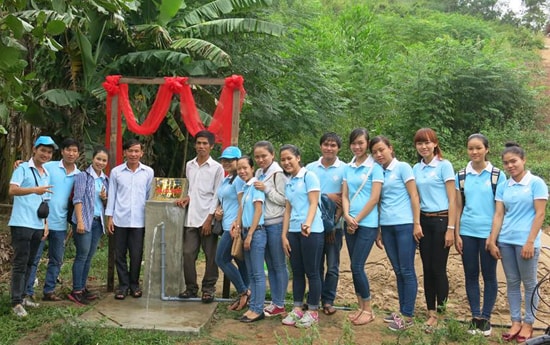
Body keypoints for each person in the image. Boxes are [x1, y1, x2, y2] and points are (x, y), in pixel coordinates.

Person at [487, 142, 547, 343]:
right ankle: (515, 321)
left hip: (526, 242)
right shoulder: (504, 185)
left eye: (514, 161)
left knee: (529, 284)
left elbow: (540, 214)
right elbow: (498, 214)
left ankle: (529, 323)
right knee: (512, 283)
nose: (510, 165)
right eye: (506, 163)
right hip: (506, 240)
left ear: (523, 160)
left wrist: (530, 242)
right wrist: (492, 240)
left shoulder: (535, 183)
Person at [454, 134, 506, 336]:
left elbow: (499, 209)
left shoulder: (497, 175)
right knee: (471, 274)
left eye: (478, 148)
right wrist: (457, 233)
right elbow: (458, 207)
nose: (474, 152)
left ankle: (486, 317)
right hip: (467, 232)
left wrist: (493, 237)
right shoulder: (462, 175)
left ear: (487, 149)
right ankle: (475, 316)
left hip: (489, 234)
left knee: (489, 275)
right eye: (470, 148)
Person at [369, 135, 421, 331]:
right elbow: (381, 202)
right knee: (398, 270)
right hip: (388, 226)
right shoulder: (378, 172)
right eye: (374, 152)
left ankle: (408, 316)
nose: (378, 154)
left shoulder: (403, 167)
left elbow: (414, 195)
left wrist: (417, 223)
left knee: (407, 270)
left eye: (381, 150)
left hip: (405, 225)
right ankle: (402, 310)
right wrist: (380, 229)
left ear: (391, 148)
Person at [25, 138, 81, 302]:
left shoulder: (79, 175)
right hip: (40, 221)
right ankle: (27, 291)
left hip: (61, 223)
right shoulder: (49, 166)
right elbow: (30, 171)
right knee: (34, 258)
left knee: (56, 259)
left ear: (78, 154)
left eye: (74, 151)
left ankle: (49, 291)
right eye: (68, 150)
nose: (71, 153)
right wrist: (20, 163)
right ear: (62, 151)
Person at [412, 128, 456, 333]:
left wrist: (451, 228)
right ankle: (430, 312)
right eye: (420, 143)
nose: (424, 146)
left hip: (441, 220)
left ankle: (441, 313)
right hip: (424, 221)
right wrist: (416, 223)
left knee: (439, 268)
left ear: (435, 144)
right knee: (427, 269)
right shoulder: (416, 168)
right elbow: (416, 198)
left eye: (428, 142)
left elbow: (453, 199)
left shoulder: (444, 166)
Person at [8, 136, 57, 317]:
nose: (45, 154)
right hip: (21, 222)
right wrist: (34, 190)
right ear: (35, 150)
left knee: (30, 262)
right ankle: (15, 302)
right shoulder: (22, 168)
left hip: (37, 224)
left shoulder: (46, 173)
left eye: (49, 152)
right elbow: (12, 190)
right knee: (20, 263)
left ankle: (24, 296)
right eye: (42, 150)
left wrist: (45, 224)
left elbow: (45, 200)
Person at [341, 128, 384, 326]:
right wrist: (348, 217)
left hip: (367, 224)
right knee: (353, 266)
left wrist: (355, 219)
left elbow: (375, 198)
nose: (357, 147)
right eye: (354, 143)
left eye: (361, 143)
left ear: (367, 143)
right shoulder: (347, 168)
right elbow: (345, 195)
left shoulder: (375, 167)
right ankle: (360, 307)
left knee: (358, 266)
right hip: (350, 223)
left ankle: (368, 309)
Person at [280, 144, 324, 329]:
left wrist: (307, 222)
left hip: (311, 230)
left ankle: (313, 311)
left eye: (289, 158)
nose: (286, 162)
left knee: (312, 271)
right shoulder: (289, 181)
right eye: (283, 159)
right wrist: (284, 236)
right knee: (297, 272)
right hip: (294, 232)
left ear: (298, 157)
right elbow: (288, 211)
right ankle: (297, 308)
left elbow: (314, 203)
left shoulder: (309, 176)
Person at [176, 130, 223, 303]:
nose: (201, 146)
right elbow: (191, 190)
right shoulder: (190, 165)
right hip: (190, 217)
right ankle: (191, 288)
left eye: (205, 143)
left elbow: (217, 195)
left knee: (211, 256)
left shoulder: (217, 168)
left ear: (211, 146)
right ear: (195, 145)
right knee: (188, 253)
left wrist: (209, 219)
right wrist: (187, 198)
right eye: (199, 143)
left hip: (207, 218)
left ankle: (208, 289)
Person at [106, 138, 154, 300]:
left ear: (142, 153)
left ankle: (134, 284)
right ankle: (123, 286)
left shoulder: (148, 172)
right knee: (119, 254)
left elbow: (149, 196)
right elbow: (112, 195)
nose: (133, 154)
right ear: (125, 153)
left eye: (136, 151)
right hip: (120, 219)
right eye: (130, 151)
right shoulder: (116, 172)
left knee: (136, 254)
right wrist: (110, 217)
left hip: (139, 221)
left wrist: (150, 218)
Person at [305, 132, 346, 316]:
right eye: (326, 144)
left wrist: (333, 225)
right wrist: (327, 195)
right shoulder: (310, 168)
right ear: (320, 146)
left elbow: (344, 200)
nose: (329, 148)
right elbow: (307, 196)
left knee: (333, 266)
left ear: (338, 148)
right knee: (314, 266)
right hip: (313, 226)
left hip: (334, 227)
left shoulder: (345, 169)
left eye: (333, 145)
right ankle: (314, 298)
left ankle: (328, 300)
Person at [68, 147, 110, 305]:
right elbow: (77, 199)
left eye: (104, 160)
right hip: (84, 220)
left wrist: (104, 198)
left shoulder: (105, 180)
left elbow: (106, 204)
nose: (100, 162)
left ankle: (82, 287)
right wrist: (79, 221)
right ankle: (76, 291)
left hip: (98, 223)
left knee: (89, 257)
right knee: (81, 256)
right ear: (93, 159)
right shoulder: (82, 176)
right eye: (98, 159)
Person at [252, 141, 288, 317]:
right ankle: (275, 302)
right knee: (271, 265)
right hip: (263, 224)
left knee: (279, 264)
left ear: (272, 155)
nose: (260, 160)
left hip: (276, 223)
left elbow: (284, 200)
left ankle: (280, 303)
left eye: (264, 156)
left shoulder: (278, 174)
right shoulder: (258, 172)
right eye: (257, 156)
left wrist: (266, 189)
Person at [214, 146, 250, 311]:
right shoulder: (227, 179)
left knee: (221, 259)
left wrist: (237, 223)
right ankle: (247, 294)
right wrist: (219, 211)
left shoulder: (239, 180)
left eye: (230, 160)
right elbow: (225, 200)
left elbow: (244, 203)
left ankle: (244, 292)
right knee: (239, 261)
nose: (226, 163)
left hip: (234, 227)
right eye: (223, 160)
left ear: (238, 161)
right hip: (227, 224)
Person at [235, 155, 266, 323]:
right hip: (246, 232)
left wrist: (251, 234)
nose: (242, 171)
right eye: (239, 168)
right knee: (252, 274)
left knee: (258, 273)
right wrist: (239, 229)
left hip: (257, 233)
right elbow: (242, 210)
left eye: (245, 168)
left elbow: (259, 211)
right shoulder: (246, 188)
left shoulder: (256, 186)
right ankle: (253, 306)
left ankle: (258, 309)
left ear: (252, 168)